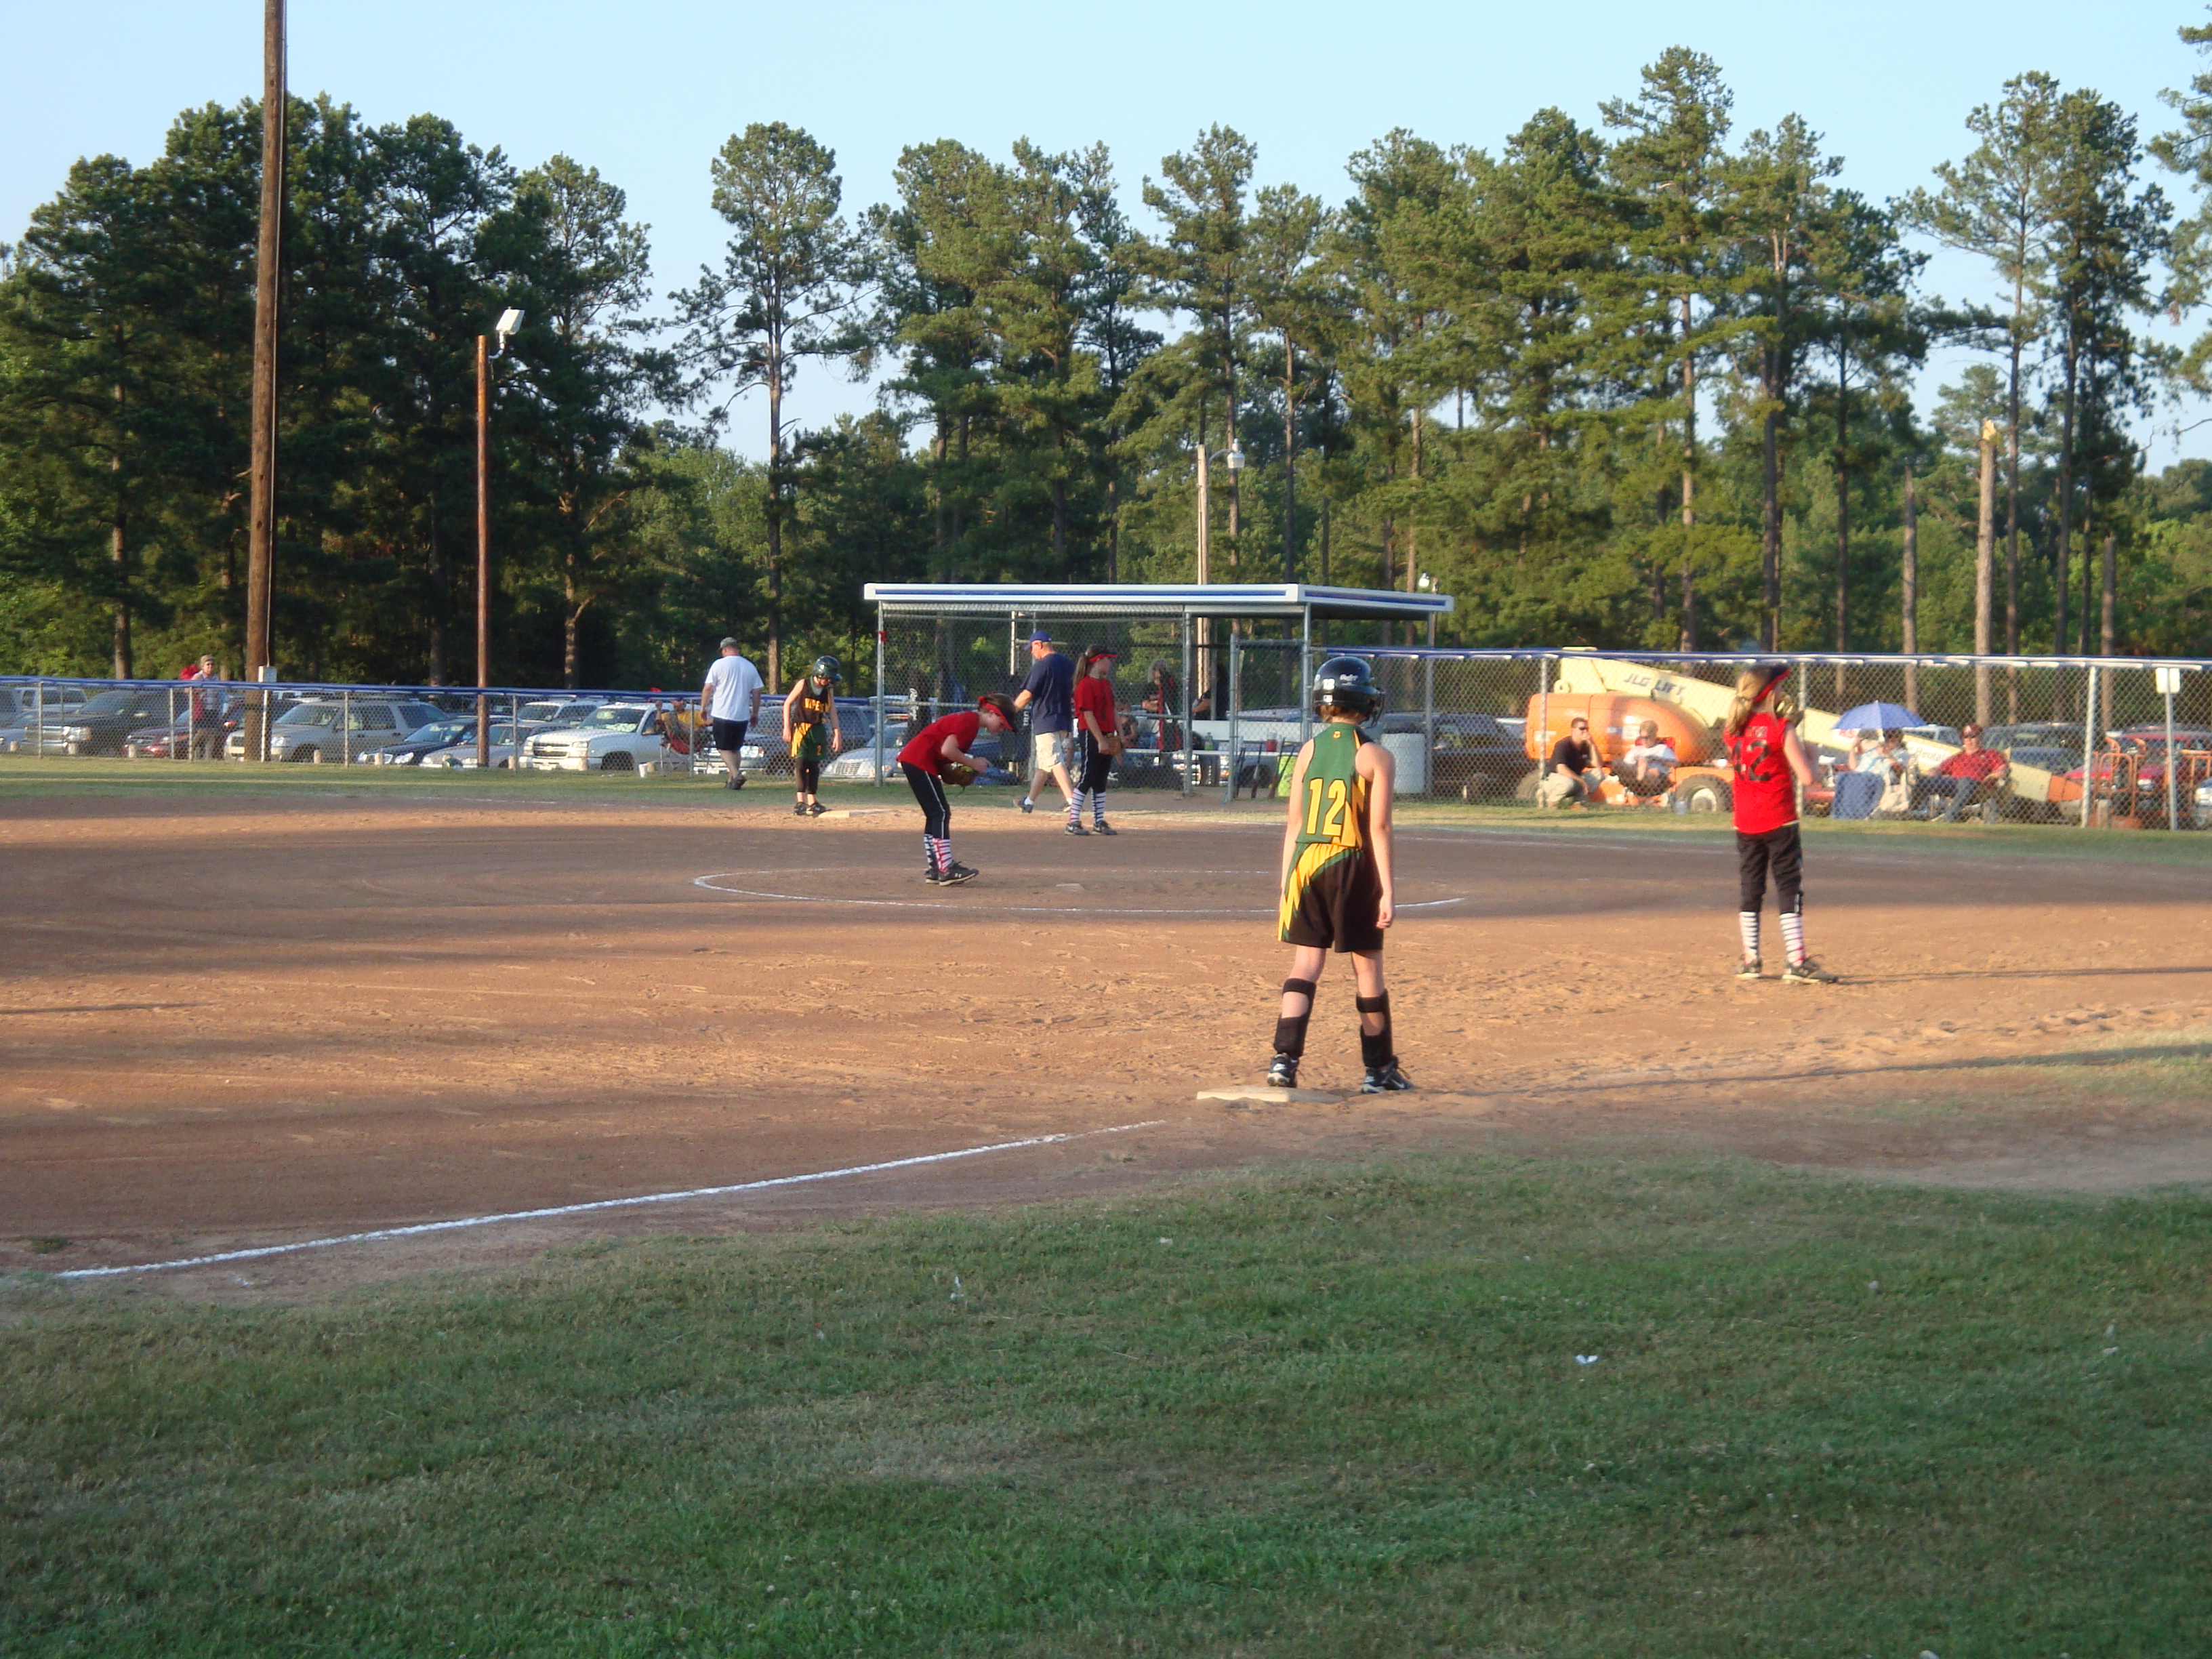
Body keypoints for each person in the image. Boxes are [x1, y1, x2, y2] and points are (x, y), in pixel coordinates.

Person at [1269, 656, 1411, 1094]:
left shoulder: (1308, 750)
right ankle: (1378, 1070)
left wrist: (1285, 881)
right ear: (1365, 701)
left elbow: (1294, 823)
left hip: (1306, 865)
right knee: (1367, 968)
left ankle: (1283, 1061)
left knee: (1306, 964)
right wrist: (1387, 889)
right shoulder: (1376, 756)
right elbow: (1379, 827)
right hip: (1352, 865)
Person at [1724, 665, 1837, 984]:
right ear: (1768, 693)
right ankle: (1796, 961)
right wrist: (1811, 755)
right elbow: (1808, 779)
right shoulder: (1780, 727)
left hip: (1745, 821)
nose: (1781, 693)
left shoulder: (1732, 728)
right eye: (1778, 688)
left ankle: (1750, 960)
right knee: (1788, 887)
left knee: (1751, 888)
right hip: (1778, 818)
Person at [899, 691, 1018, 885]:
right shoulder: (969, 723)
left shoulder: (969, 721)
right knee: (940, 814)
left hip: (918, 761)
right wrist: (973, 764)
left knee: (937, 813)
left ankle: (936, 868)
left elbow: (944, 751)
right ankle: (945, 869)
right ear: (991, 713)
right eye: (1002, 723)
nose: (1002, 728)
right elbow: (948, 750)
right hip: (918, 761)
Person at [1012, 632, 1076, 818]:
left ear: (1039, 644)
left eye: (1032, 648)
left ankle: (1073, 801)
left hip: (1046, 719)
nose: (1032, 652)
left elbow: (1027, 694)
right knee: (1044, 764)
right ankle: (1029, 802)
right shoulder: (1068, 664)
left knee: (1054, 761)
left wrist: (1010, 711)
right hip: (1063, 718)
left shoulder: (1043, 665)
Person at [782, 655, 843, 817]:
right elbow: (788, 703)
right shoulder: (804, 684)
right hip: (801, 729)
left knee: (814, 766)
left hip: (818, 730)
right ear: (820, 672)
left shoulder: (828, 690)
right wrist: (787, 727)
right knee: (801, 764)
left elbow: (832, 712)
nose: (828, 681)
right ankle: (800, 802)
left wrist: (837, 734)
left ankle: (813, 802)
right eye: (827, 677)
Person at [1068, 645, 1120, 836]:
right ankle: (1073, 821)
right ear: (1098, 661)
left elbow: (1114, 710)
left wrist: (1120, 735)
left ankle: (1099, 821)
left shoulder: (1106, 684)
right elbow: (1088, 716)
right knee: (1088, 776)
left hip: (1106, 733)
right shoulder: (1085, 685)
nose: (1110, 663)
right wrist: (1100, 740)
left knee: (1101, 779)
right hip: (1091, 734)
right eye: (1107, 659)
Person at [700, 638, 764, 790]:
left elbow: (708, 688)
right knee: (735, 749)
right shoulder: (749, 666)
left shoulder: (719, 664)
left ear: (725, 649)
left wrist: (703, 707)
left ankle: (736, 774)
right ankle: (732, 782)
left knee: (723, 748)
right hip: (742, 714)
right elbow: (757, 691)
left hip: (723, 712)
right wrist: (755, 712)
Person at [1923, 724, 2009, 823]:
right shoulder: (1957, 757)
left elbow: (2003, 769)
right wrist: (1935, 772)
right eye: (1966, 736)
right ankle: (1914, 812)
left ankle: (1948, 818)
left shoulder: (1990, 754)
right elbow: (1939, 769)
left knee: (1966, 781)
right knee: (1923, 781)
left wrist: (1995, 775)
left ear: (1980, 738)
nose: (1969, 740)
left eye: (1973, 736)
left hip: (1978, 788)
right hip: (1953, 785)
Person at [1537, 716, 1605, 808]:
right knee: (1568, 783)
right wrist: (1582, 781)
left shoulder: (1586, 746)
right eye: (1582, 729)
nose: (1585, 732)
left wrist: (1592, 745)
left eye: (1587, 729)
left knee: (1599, 773)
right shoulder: (1563, 745)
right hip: (1554, 780)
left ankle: (1577, 804)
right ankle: (1552, 802)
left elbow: (1598, 765)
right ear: (1573, 730)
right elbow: (1561, 769)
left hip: (1574, 779)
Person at [1615, 719, 1675, 796]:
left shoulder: (1663, 749)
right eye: (1642, 738)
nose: (1644, 741)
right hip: (1635, 777)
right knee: (1623, 762)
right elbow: (1627, 766)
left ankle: (1638, 784)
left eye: (1647, 737)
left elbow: (1675, 764)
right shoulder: (1635, 750)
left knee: (1653, 769)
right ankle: (1639, 782)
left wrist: (1658, 759)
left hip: (1657, 780)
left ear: (1654, 736)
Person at [188, 656, 226, 759]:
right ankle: (190, 750)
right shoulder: (198, 677)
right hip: (202, 710)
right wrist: (198, 690)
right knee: (202, 732)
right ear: (203, 666)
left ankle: (208, 758)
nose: (210, 667)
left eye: (212, 665)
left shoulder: (216, 678)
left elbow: (220, 693)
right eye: (208, 665)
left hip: (213, 709)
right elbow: (188, 691)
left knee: (212, 733)